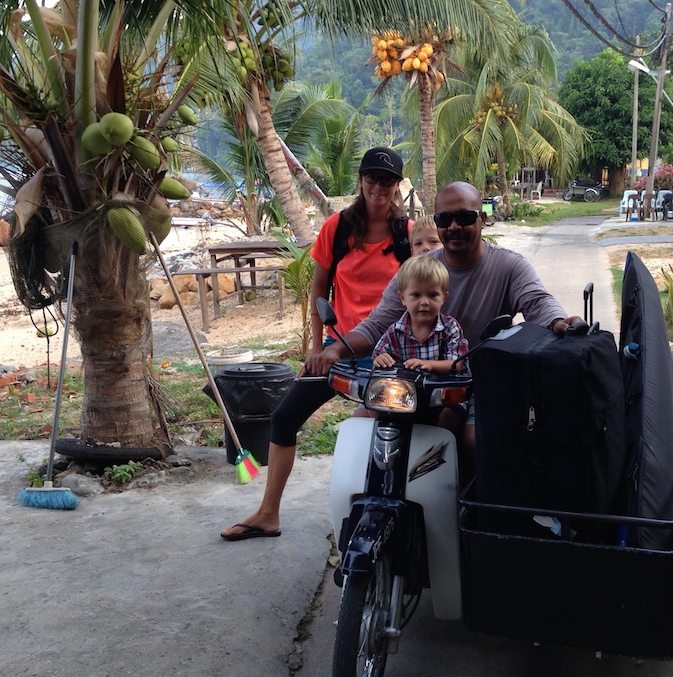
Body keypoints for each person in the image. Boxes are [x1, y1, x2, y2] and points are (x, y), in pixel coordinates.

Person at [223, 180, 579, 542]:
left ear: (482, 219)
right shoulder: (417, 270)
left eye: (465, 217)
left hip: (468, 386)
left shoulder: (508, 266)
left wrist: (560, 321)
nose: (455, 226)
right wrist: (335, 349)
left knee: (472, 443)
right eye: (446, 218)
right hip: (410, 388)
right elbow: (379, 322)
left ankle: (473, 524)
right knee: (361, 429)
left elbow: (537, 300)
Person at [220, 146, 410, 542]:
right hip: (338, 350)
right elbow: (319, 288)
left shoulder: (407, 236)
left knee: (384, 431)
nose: (379, 186)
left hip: (387, 355)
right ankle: (268, 513)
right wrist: (316, 346)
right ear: (360, 180)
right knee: (284, 417)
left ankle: (384, 518)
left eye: (388, 180)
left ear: (397, 186)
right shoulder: (338, 228)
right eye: (372, 178)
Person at [370, 255, 469, 434]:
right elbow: (378, 355)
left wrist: (429, 365)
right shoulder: (395, 331)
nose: (424, 302)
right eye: (416, 295)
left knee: (452, 415)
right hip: (403, 399)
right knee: (372, 410)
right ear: (402, 298)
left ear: (444, 297)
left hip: (441, 398)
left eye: (432, 295)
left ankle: (438, 455)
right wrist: (381, 359)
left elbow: (457, 364)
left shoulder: (450, 327)